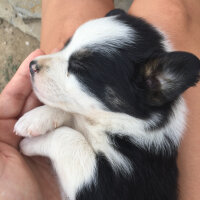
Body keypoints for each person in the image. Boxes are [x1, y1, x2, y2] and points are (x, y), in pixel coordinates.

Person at [0, 0, 199, 199]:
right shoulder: (136, 134)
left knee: (68, 14)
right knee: (174, 12)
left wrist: (55, 139)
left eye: (79, 68)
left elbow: (92, 185)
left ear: (154, 84)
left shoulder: (136, 161)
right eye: (68, 47)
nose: (39, 64)